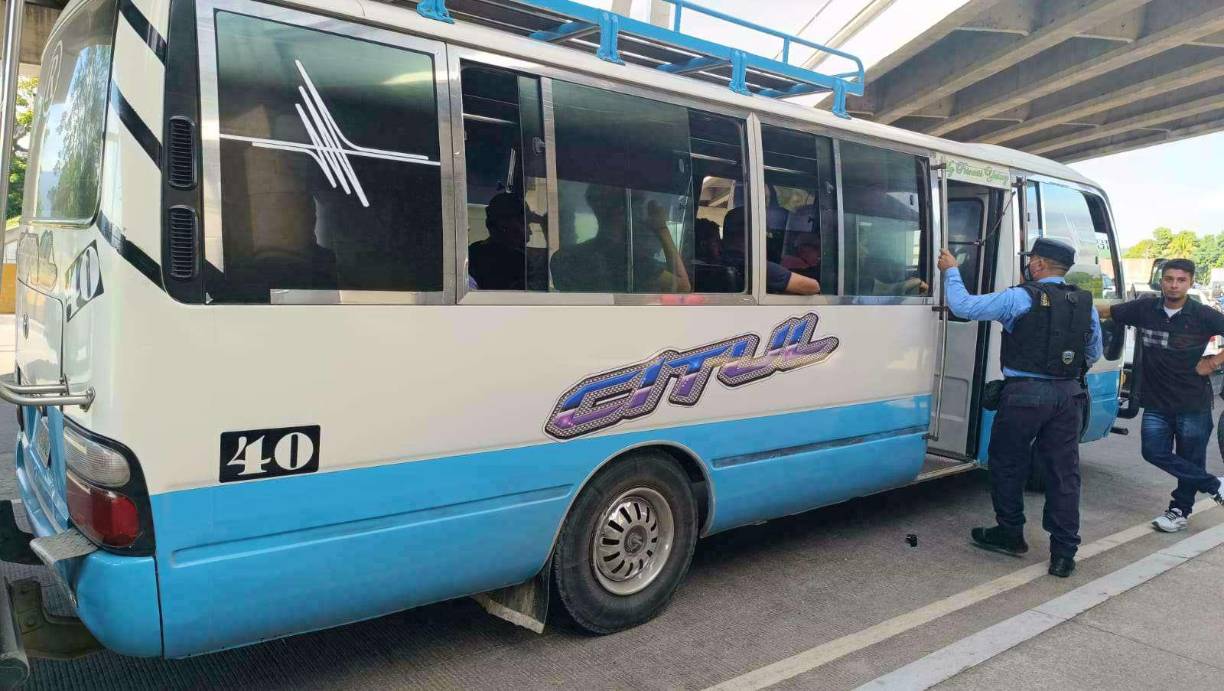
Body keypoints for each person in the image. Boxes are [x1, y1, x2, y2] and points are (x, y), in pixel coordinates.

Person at [937, 237, 1102, 578]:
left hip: (1024, 395)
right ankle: (1064, 553)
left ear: (1038, 264)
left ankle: (1010, 532)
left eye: (1032, 261)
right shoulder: (1085, 303)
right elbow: (1093, 351)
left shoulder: (1020, 297)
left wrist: (951, 271)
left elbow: (964, 307)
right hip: (1068, 395)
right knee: (1063, 473)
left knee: (1008, 464)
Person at [1099, 259, 1224, 533]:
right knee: (1153, 451)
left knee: (1190, 460)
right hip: (1157, 402)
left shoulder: (1203, 315)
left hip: (1193, 403)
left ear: (1190, 283)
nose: (1174, 285)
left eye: (1180, 280)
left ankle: (1179, 511)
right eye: (1169, 279)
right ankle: (1215, 485)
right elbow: (1107, 310)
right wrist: (1069, 302)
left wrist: (1213, 362)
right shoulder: (1145, 309)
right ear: (1161, 281)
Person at [550, 185, 691, 293]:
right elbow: (683, 288)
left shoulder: (563, 257)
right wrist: (661, 228)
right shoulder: (632, 262)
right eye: (640, 208)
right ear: (623, 211)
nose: (643, 217)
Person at [721, 207, 822, 295]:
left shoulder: (721, 259)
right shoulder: (752, 266)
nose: (766, 239)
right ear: (747, 232)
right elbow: (813, 287)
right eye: (763, 231)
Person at [469, 192, 531, 291]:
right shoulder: (517, 260)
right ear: (503, 226)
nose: (530, 232)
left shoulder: (473, 250)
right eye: (524, 223)